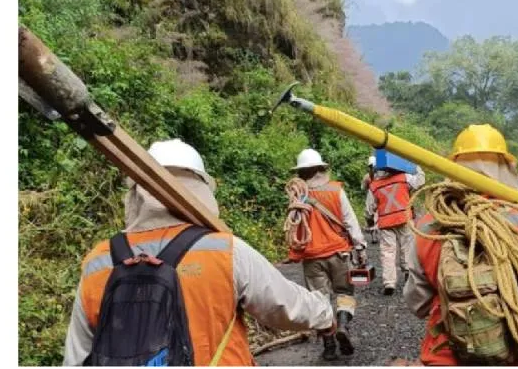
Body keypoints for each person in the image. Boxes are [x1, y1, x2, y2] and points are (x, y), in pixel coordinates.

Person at [63, 139, 335, 366]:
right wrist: (325, 313)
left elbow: (77, 356)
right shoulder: (225, 250)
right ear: (200, 190)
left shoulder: (97, 262)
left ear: (135, 194)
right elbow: (285, 306)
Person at [403, 124, 518, 366]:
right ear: (506, 168)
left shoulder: (429, 227)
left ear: (452, 168)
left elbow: (418, 306)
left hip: (446, 359)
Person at [288, 148, 368, 360]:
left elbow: (295, 227)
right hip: (339, 253)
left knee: (319, 301)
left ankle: (329, 345)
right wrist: (360, 247)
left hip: (312, 256)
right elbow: (350, 220)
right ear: (321, 169)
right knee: (345, 293)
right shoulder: (335, 190)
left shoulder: (297, 195)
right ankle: (343, 324)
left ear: (301, 172)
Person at [365, 158, 425, 295]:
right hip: (404, 219)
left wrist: (369, 222)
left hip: (386, 224)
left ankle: (389, 282)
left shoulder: (374, 186)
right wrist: (417, 167)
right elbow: (420, 181)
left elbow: (369, 210)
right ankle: (408, 272)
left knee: (387, 252)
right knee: (407, 248)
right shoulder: (404, 178)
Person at [361, 155, 379, 244]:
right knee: (373, 216)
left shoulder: (367, 177)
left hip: (373, 195)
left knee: (371, 216)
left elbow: (363, 188)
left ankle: (374, 235)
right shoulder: (381, 175)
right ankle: (374, 235)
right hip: (376, 194)